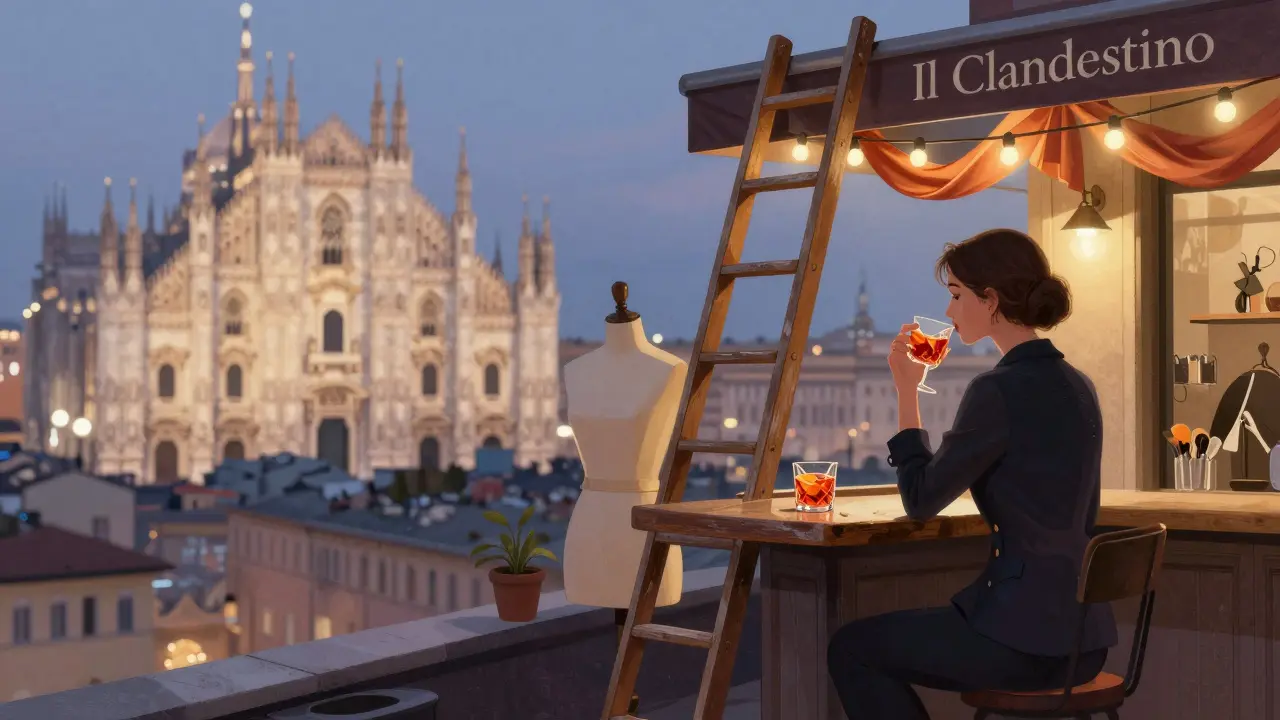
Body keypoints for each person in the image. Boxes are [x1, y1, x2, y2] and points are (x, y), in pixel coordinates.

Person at [826, 228, 1118, 720]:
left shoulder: (996, 390)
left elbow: (921, 499)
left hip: (1025, 642)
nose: (949, 311)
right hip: (1085, 641)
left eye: (957, 295)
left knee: (852, 648)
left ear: (991, 300)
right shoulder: (1079, 384)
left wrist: (906, 391)